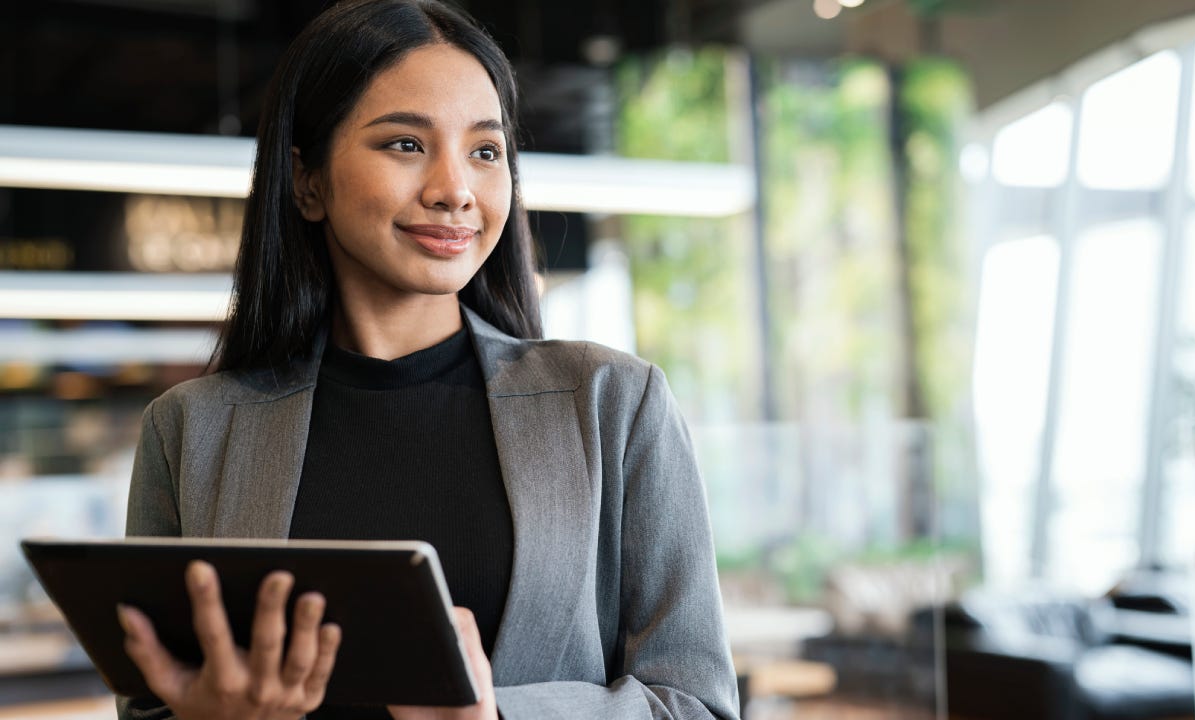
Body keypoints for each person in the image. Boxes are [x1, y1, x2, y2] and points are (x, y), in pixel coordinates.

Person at [113, 1, 740, 719]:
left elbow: (697, 705)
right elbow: (152, 703)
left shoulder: (612, 404)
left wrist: (500, 716)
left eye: (485, 150)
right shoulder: (192, 431)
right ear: (306, 180)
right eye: (405, 145)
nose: (454, 189)